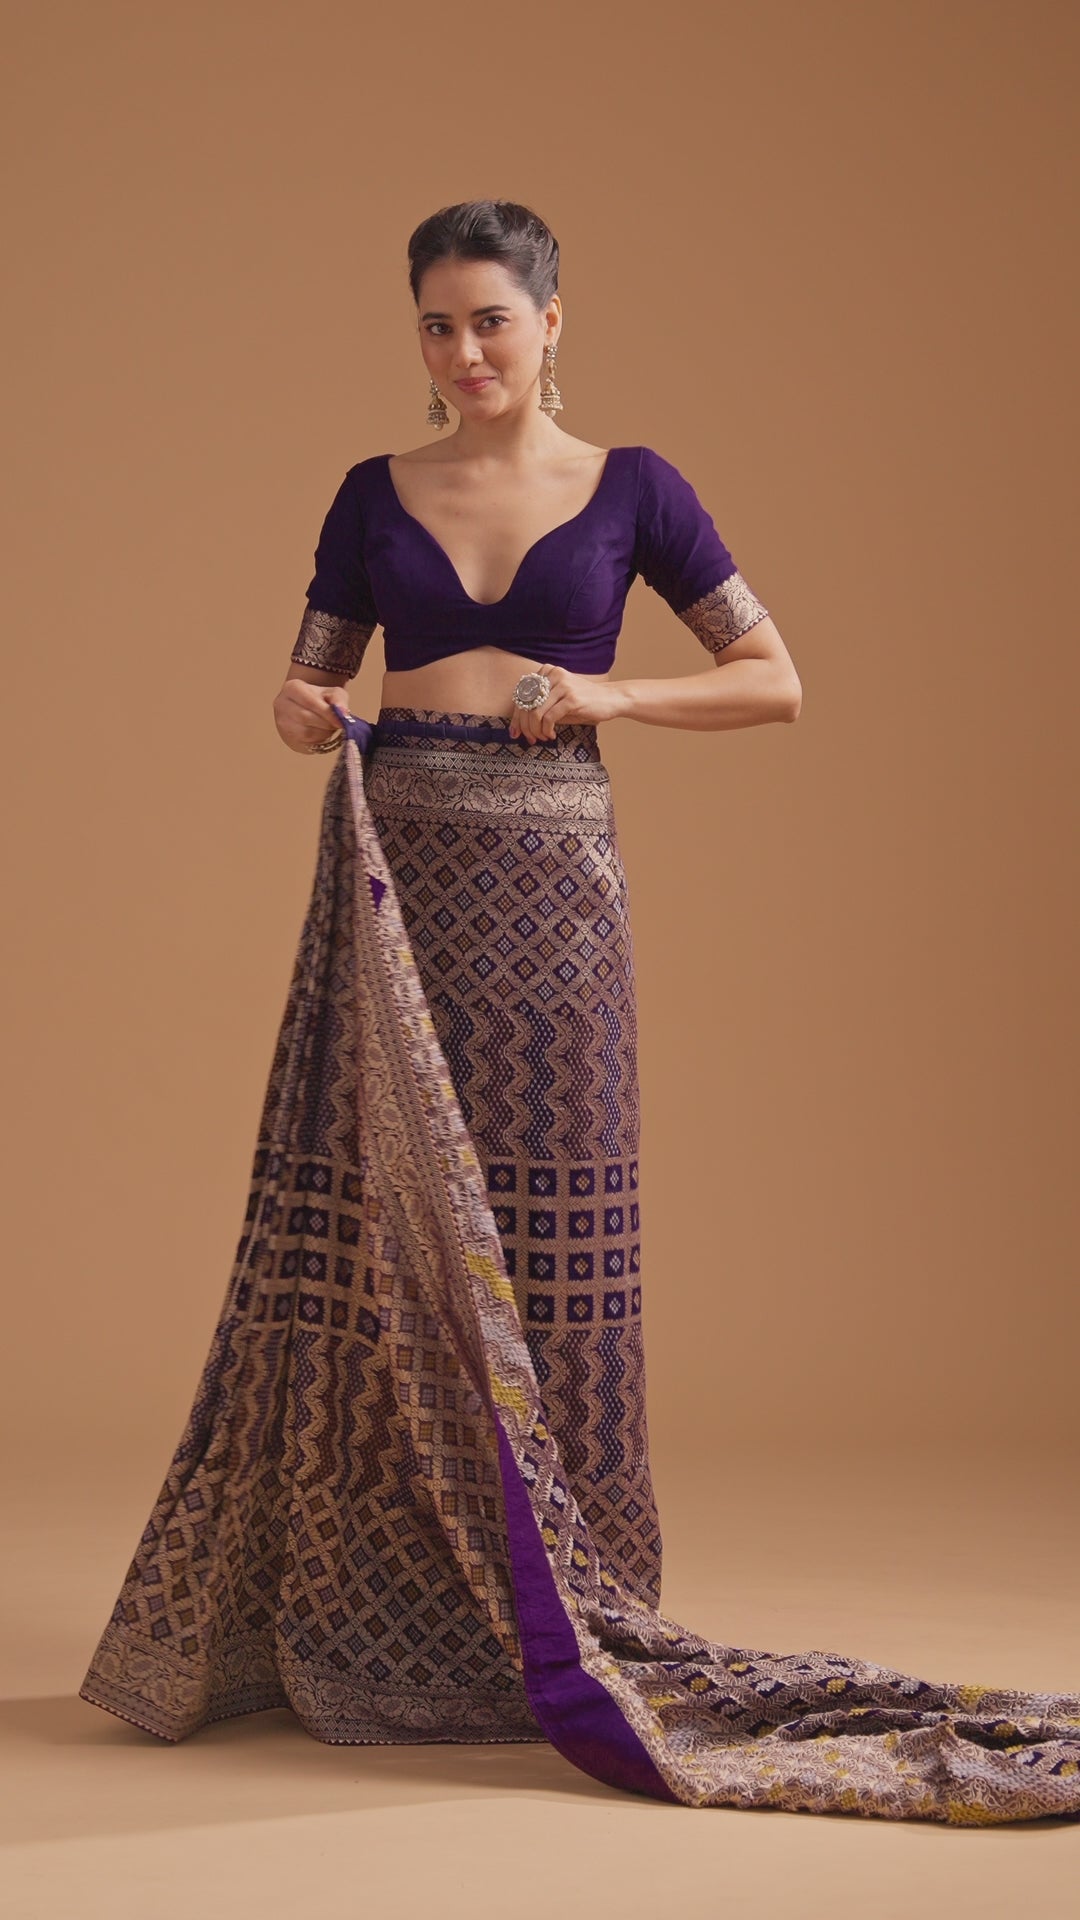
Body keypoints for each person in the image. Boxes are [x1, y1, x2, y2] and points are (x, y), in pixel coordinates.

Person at [79, 200, 1080, 1825]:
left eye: (491, 318)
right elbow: (308, 682)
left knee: (557, 1249)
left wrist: (613, 693)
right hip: (399, 882)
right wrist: (300, 707)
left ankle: (559, 1618)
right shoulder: (371, 492)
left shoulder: (635, 489)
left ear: (553, 321)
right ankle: (387, 1612)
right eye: (436, 323)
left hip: (554, 893)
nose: (463, 350)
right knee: (375, 1240)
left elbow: (774, 678)